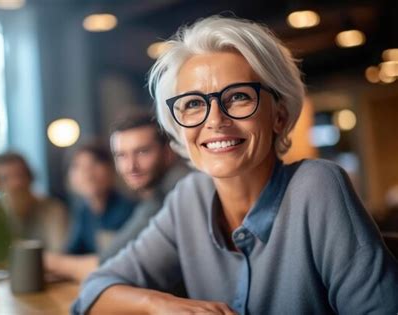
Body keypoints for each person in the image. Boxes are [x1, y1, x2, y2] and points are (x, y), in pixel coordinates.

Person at [73, 16, 398, 314]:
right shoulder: (191, 197)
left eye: (239, 97)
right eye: (193, 104)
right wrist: (162, 306)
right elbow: (94, 291)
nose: (215, 120)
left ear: (279, 115)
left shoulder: (318, 187)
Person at [44, 114, 190, 281]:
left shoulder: (172, 192)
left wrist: (46, 261)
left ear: (168, 151)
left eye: (142, 152)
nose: (131, 166)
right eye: (121, 155)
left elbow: (109, 264)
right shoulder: (84, 209)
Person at [44, 143, 136, 280]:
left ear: (111, 169)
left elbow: (116, 262)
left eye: (95, 164)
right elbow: (71, 252)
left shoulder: (130, 210)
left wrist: (52, 262)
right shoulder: (83, 211)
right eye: (77, 166)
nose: (87, 173)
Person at [0, 152, 67, 252]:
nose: (15, 184)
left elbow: (60, 252)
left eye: (19, 175)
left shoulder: (53, 210)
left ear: (30, 177)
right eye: (5, 179)